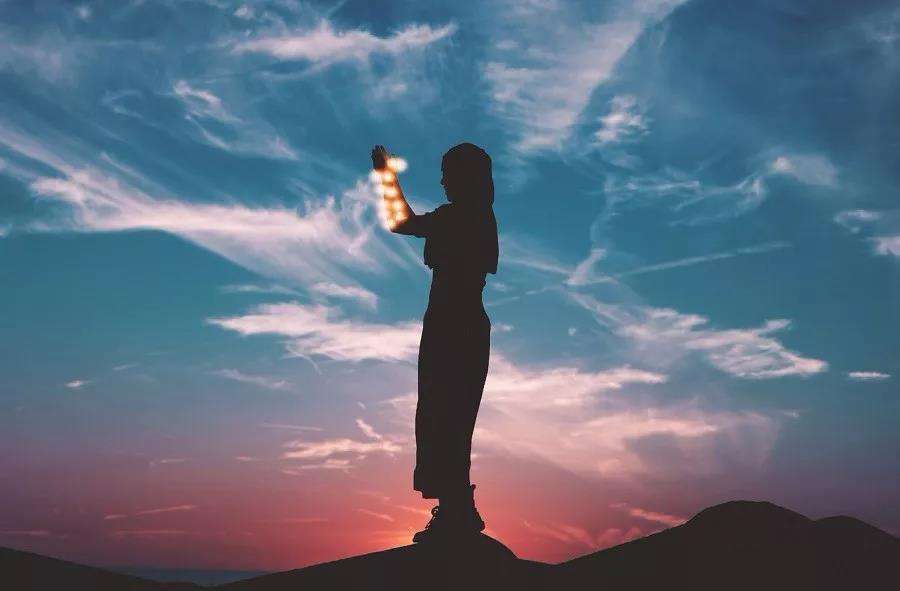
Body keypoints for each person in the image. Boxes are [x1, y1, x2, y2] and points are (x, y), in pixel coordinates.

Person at [371, 143, 498, 542]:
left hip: (454, 325)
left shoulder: (462, 217)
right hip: (455, 323)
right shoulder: (474, 217)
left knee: (447, 418)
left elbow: (400, 222)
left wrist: (386, 177)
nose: (442, 181)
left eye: (447, 173)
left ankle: (457, 510)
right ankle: (455, 507)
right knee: (445, 418)